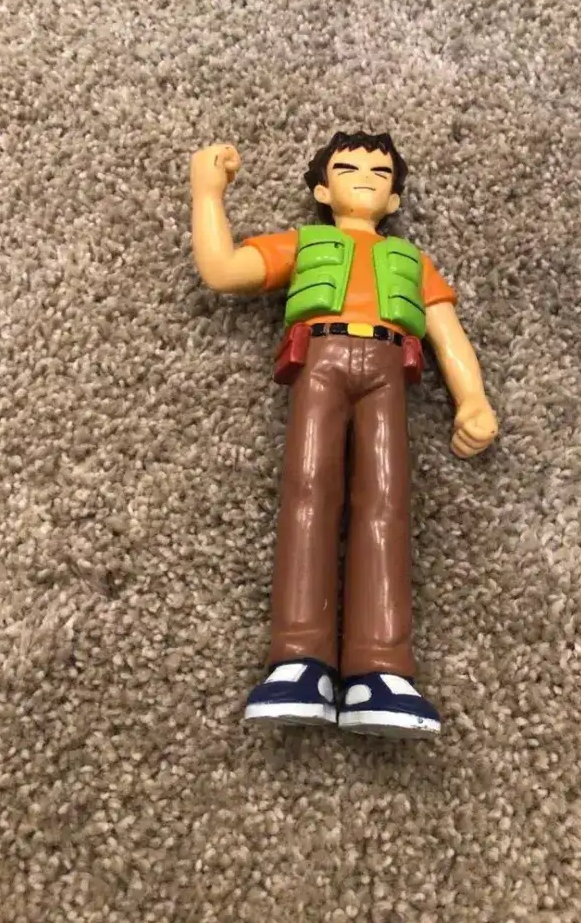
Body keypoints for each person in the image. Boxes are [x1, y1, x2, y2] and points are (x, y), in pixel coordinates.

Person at [188, 131, 498, 738]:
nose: (364, 179)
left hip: (389, 371)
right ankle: (298, 660)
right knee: (307, 493)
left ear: (395, 200)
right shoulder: (304, 245)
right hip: (320, 362)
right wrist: (208, 195)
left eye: (379, 174)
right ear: (322, 190)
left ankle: (380, 668)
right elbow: (223, 271)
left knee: (386, 504)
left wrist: (473, 398)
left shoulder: (411, 262)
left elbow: (447, 333)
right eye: (348, 168)